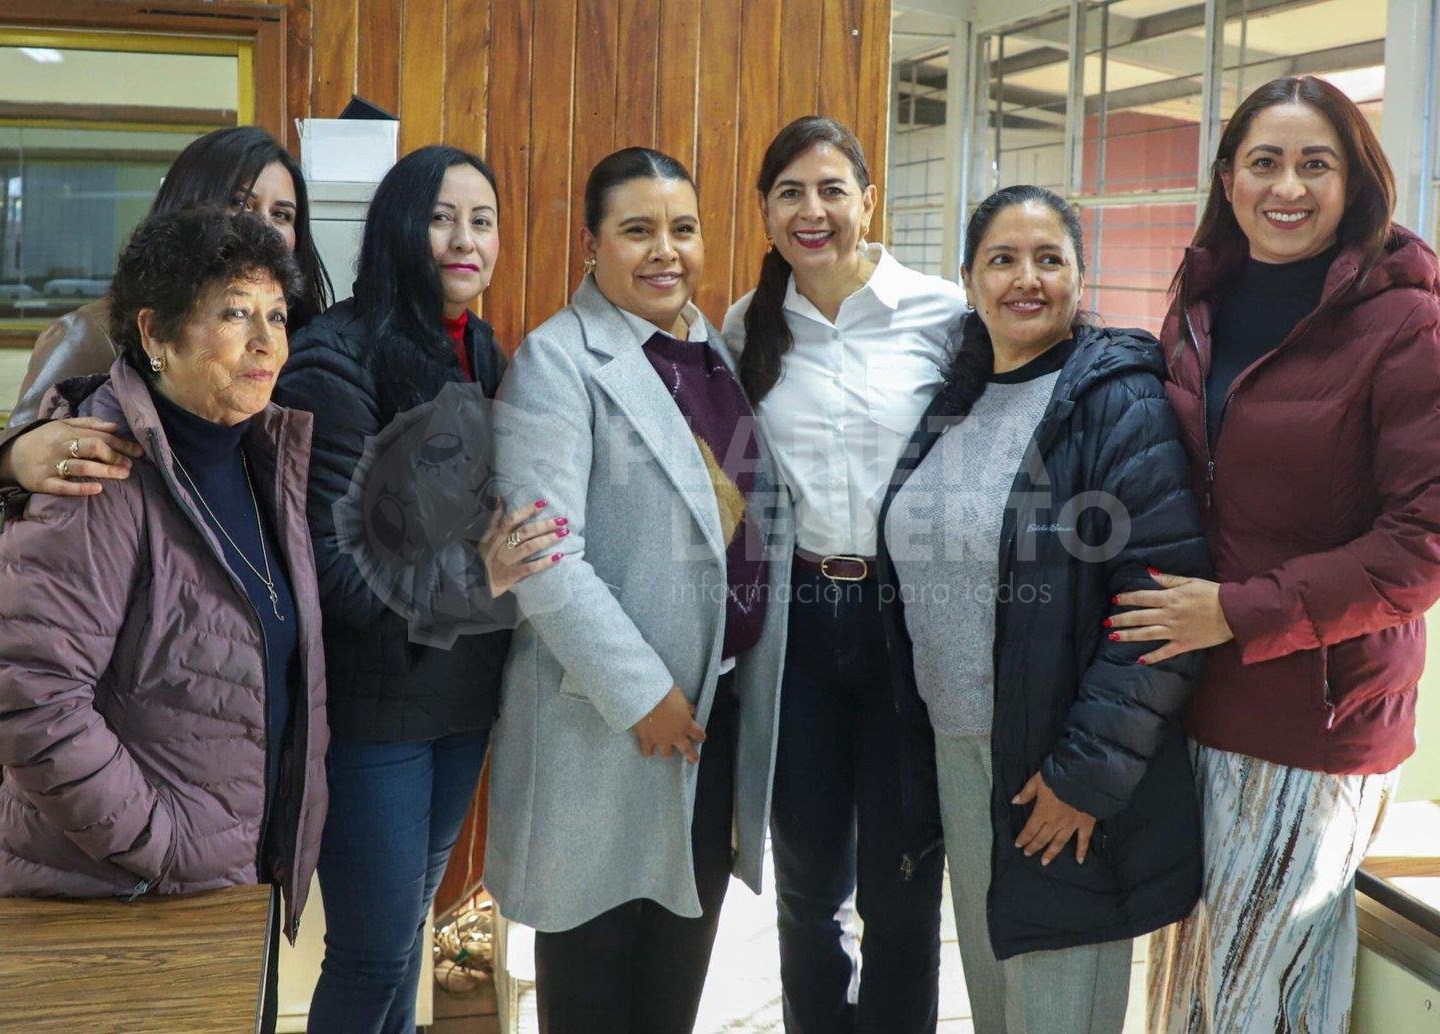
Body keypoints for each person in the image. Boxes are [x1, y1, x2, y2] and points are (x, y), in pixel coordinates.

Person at [1116, 76, 1440, 1033]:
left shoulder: (1409, 328)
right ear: (1228, 180)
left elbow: (1431, 539)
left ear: (1354, 182)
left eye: (1315, 164)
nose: (1288, 187)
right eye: (1265, 162)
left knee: (1250, 1001)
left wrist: (1238, 611)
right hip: (1193, 697)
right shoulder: (1200, 305)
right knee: (1193, 990)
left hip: (1316, 719)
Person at [0, 207, 327, 1029]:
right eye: (234, 313)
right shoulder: (95, 467)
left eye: (277, 316)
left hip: (227, 889)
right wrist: (167, 844)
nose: (266, 342)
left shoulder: (261, 455)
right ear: (155, 334)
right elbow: (27, 704)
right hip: (111, 902)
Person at [877, 185, 1209, 1033]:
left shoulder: (1118, 400)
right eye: (1003, 259)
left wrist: (1083, 780)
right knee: (997, 1005)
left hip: (1057, 766)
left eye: (1048, 259)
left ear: (1079, 277)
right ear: (968, 279)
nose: (1026, 278)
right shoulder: (958, 398)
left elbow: (1158, 607)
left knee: (1057, 1011)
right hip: (961, 754)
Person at [486, 146, 792, 1033]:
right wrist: (644, 695)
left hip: (709, 718)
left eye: (682, 229)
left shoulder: (711, 351)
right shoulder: (558, 361)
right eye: (638, 231)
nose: (666, 251)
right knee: (595, 987)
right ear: (592, 245)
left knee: (672, 988)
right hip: (610, 725)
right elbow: (545, 558)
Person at [274, 145, 551, 1034]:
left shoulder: (482, 351)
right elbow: (334, 567)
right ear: (398, 226)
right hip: (374, 710)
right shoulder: (335, 356)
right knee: (371, 953)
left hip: (460, 698)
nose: (464, 239)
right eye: (440, 217)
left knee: (403, 941)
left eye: (482, 221)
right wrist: (481, 574)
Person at [721, 114, 963, 1033]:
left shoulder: (940, 313)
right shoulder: (747, 325)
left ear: (869, 201)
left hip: (906, 620)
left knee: (905, 882)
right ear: (766, 211)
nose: (811, 211)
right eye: (789, 193)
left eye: (831, 190)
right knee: (808, 882)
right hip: (801, 623)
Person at [0, 124, 332, 552]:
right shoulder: (94, 333)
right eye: (239, 204)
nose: (262, 225)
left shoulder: (301, 339)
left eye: (281, 214)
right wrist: (12, 461)